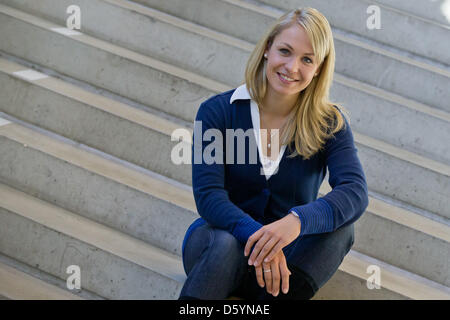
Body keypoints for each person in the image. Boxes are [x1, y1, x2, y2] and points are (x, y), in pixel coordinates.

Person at [178, 7, 369, 300]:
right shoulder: (217, 112)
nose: (292, 67)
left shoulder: (330, 123)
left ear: (318, 68)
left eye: (307, 59)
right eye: (285, 51)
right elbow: (209, 196)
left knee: (342, 230)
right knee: (226, 244)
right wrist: (263, 241)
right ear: (267, 49)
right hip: (217, 248)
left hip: (283, 265)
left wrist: (297, 221)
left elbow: (355, 191)